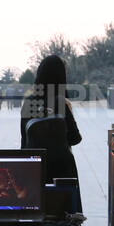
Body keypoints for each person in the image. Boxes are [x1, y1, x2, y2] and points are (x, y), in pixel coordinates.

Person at [20, 54, 82, 211]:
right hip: (63, 170)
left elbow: (24, 140)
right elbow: (75, 139)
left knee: (36, 214)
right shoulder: (61, 102)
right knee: (65, 216)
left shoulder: (29, 103)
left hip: (35, 167)